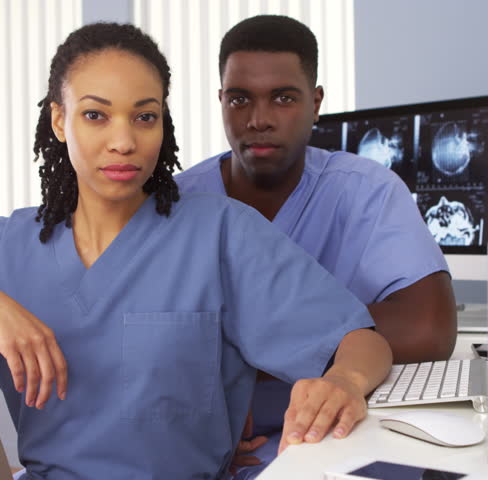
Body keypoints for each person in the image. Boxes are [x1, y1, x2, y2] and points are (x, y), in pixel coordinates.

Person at [0, 23, 392, 480]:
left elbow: (361, 340)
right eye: (97, 114)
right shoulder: (3, 248)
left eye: (145, 116)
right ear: (60, 121)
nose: (124, 140)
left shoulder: (219, 233)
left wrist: (342, 381)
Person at [175, 15, 458, 478]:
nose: (259, 119)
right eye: (240, 99)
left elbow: (428, 327)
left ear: (316, 103)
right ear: (221, 101)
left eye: (283, 98)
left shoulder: (364, 190)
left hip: (336, 439)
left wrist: (234, 365)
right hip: (208, 448)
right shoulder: (177, 203)